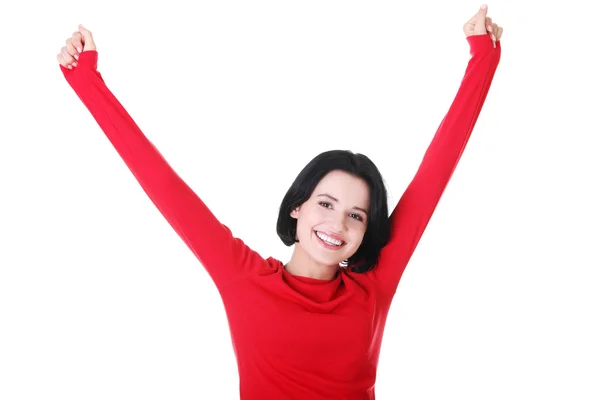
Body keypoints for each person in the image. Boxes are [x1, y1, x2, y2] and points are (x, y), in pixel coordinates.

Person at [56, 4, 502, 399]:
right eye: (325, 204)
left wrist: (483, 57)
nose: (338, 224)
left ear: (368, 230)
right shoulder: (242, 277)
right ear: (297, 207)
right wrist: (86, 81)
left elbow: (436, 172)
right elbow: (162, 184)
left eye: (356, 215)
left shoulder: (374, 288)